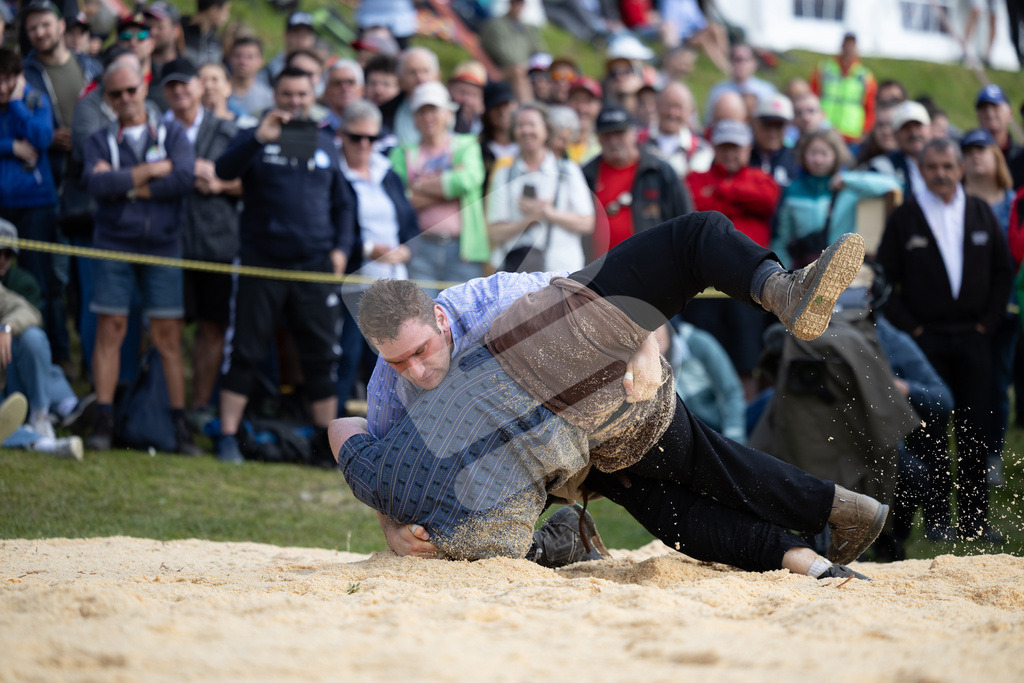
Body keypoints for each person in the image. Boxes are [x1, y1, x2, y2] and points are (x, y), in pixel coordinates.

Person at [333, 214, 880, 579]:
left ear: (437, 315)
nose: (416, 369)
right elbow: (380, 460)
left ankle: (782, 291)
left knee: (693, 474)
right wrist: (395, 529)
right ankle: (816, 550)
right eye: (398, 360)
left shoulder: (491, 299)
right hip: (564, 456)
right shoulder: (388, 384)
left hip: (588, 402)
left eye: (421, 351)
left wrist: (642, 341)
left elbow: (589, 304)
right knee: (676, 501)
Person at [214, 66, 354, 464]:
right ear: (275, 96)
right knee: (245, 350)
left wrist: (341, 250)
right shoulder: (256, 134)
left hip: (314, 267)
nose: (294, 102)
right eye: (287, 94)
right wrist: (260, 137)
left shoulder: (326, 142)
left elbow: (344, 204)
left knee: (320, 357)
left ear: (313, 97)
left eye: (302, 95)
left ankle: (328, 451)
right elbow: (223, 171)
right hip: (262, 265)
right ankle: (226, 437)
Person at [876, 138, 1013, 544]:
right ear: (921, 168)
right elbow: (885, 282)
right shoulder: (906, 217)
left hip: (974, 339)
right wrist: (913, 330)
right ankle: (936, 521)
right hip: (925, 341)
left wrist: (987, 325)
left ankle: (974, 522)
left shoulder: (981, 212)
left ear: (960, 169)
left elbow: (1003, 273)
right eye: (932, 166)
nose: (941, 173)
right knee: (929, 432)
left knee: (976, 429)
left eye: (948, 166)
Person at [82, 59, 199, 455]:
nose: (125, 99)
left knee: (168, 336)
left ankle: (180, 429)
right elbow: (96, 184)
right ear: (107, 98)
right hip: (114, 242)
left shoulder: (172, 131)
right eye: (116, 94)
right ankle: (103, 420)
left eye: (131, 90)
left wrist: (127, 186)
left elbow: (184, 178)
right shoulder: (100, 139)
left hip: (164, 244)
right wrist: (153, 170)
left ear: (143, 87)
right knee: (110, 329)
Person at [161, 58, 241, 422]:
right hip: (166, 241)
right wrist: (181, 173)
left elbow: (251, 183)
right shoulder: (156, 130)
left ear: (198, 86)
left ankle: (199, 409)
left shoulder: (228, 129)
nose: (179, 91)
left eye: (185, 83)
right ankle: (166, 404)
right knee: (167, 325)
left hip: (216, 244)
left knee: (212, 328)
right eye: (171, 85)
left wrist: (220, 183)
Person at [686, 119, 780, 397]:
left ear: (748, 148)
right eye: (724, 147)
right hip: (703, 291)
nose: (730, 154)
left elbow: (766, 200)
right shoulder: (695, 179)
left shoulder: (761, 179)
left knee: (746, 364)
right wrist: (738, 202)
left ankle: (743, 433)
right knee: (700, 368)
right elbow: (695, 208)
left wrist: (722, 191)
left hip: (748, 290)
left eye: (736, 148)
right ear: (714, 147)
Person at [335, 99, 417, 416]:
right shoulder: (336, 174)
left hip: (393, 282)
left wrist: (407, 247)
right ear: (342, 136)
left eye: (371, 138)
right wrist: (369, 248)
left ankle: (384, 430)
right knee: (349, 357)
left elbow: (408, 222)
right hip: (355, 281)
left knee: (388, 361)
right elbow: (332, 226)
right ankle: (334, 428)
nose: (364, 145)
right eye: (357, 137)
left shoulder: (387, 172)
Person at [389, 81, 488, 297]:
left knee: (464, 319)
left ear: (447, 113)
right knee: (425, 320)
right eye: (421, 111)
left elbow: (469, 180)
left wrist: (419, 187)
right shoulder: (402, 153)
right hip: (420, 248)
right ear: (414, 118)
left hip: (463, 250)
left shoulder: (467, 144)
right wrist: (449, 184)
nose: (427, 117)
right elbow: (397, 199)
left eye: (433, 110)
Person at [960, 128, 1018, 488]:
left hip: (1006, 307)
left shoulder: (1014, 202)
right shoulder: (951, 201)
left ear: (996, 156)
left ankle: (991, 454)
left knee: (998, 383)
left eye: (983, 149)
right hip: (963, 311)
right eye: (968, 150)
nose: (975, 156)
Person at [487, 103, 594, 273]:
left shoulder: (568, 170)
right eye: (521, 125)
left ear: (546, 130)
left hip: (562, 272)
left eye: (532, 124)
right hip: (516, 274)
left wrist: (548, 213)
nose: (526, 131)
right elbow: (494, 232)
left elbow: (587, 223)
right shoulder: (504, 174)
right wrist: (528, 220)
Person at [773, 129, 900, 269]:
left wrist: (848, 179)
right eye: (813, 153)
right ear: (803, 155)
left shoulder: (849, 187)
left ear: (836, 155)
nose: (818, 160)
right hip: (804, 270)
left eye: (824, 153)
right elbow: (781, 238)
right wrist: (783, 273)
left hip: (842, 269)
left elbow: (894, 185)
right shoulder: (793, 189)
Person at [582, 105, 693, 259]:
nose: (613, 141)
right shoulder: (586, 175)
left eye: (619, 133)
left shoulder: (659, 172)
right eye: (607, 135)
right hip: (596, 272)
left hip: (651, 269)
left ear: (633, 133)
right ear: (598, 138)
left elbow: (687, 221)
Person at [656, 320, 746, 445]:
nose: (653, 338)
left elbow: (730, 391)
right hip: (695, 440)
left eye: (655, 329)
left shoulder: (698, 343)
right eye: (644, 335)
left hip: (727, 426)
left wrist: (734, 439)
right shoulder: (641, 366)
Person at [809, 32, 876, 143]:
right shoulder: (823, 69)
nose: (849, 49)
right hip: (824, 130)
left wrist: (865, 130)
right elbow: (812, 96)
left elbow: (870, 106)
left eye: (852, 45)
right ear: (842, 45)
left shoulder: (865, 75)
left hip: (852, 134)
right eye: (847, 45)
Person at [642, 81, 713, 180]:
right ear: (656, 106)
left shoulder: (701, 150)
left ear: (690, 111)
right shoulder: (638, 141)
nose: (672, 113)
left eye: (678, 107)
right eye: (667, 105)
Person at [479, 0, 543, 103]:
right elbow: (502, 55)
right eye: (516, 3)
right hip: (495, 71)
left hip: (523, 69)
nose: (518, 6)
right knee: (517, 71)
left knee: (543, 75)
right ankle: (527, 106)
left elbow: (539, 51)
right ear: (510, 4)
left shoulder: (527, 28)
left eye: (521, 3)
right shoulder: (495, 26)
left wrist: (538, 66)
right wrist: (526, 66)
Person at [381, 47, 441, 147]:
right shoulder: (386, 113)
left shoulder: (456, 112)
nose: (420, 78)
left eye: (425, 71)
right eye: (413, 72)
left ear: (437, 76)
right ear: (400, 79)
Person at [703, 43, 776, 126]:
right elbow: (709, 122)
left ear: (754, 63)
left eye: (744, 59)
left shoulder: (767, 90)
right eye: (737, 59)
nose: (741, 64)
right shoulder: (718, 91)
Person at [750, 93, 799, 189]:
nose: (772, 132)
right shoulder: (742, 156)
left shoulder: (796, 159)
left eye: (779, 126)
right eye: (767, 125)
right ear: (755, 123)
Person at [263, 11, 318, 87]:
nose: (301, 39)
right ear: (286, 35)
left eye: (306, 35)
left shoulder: (323, 69)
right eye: (296, 33)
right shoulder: (271, 70)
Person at [198, 61, 256, 129]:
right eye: (203, 81)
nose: (208, 86)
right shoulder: (189, 127)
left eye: (215, 79)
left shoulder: (247, 126)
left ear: (228, 87)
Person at [227, 37, 273, 118]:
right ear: (230, 58)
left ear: (261, 61)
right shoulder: (216, 92)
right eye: (238, 56)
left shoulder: (269, 98)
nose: (243, 62)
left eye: (250, 57)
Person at [181, 0, 230, 67]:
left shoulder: (216, 41)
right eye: (226, 11)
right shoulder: (178, 30)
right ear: (214, 10)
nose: (227, 17)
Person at [564, 76, 601, 165]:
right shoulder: (553, 144)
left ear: (598, 107)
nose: (582, 108)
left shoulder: (605, 146)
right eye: (576, 100)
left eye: (587, 101)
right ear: (566, 103)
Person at [322, 58, 364, 135]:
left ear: (361, 89)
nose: (345, 88)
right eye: (337, 83)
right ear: (326, 92)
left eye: (351, 82)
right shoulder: (316, 133)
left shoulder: (377, 134)